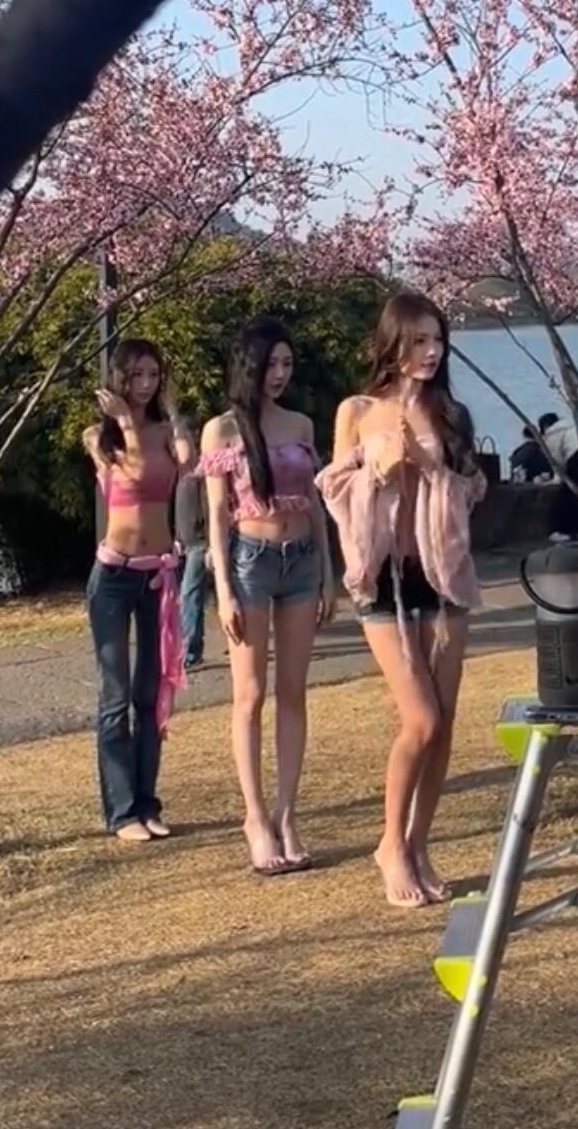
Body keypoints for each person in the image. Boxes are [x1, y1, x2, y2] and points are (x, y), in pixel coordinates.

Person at [318, 291, 485, 910]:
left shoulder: (451, 414)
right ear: (393, 343)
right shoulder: (358, 410)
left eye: (438, 340)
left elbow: (473, 489)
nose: (431, 352)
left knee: (446, 722)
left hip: (441, 576)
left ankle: (418, 844)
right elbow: (334, 490)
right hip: (382, 577)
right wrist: (377, 473)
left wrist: (430, 468)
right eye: (419, 341)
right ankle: (390, 843)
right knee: (421, 720)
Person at [199, 318, 334, 876]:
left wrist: (328, 573)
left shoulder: (300, 424)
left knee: (293, 691)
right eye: (271, 364)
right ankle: (255, 817)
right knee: (250, 694)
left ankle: (287, 814)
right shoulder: (222, 430)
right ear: (249, 365)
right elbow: (215, 515)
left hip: (301, 561)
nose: (280, 374)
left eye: (287, 364)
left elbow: (317, 503)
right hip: (250, 563)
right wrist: (223, 590)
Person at [83, 339, 193, 843]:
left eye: (153, 375)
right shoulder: (99, 438)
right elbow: (134, 473)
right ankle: (122, 812)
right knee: (116, 696)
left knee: (151, 696)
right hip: (113, 576)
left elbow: (186, 466)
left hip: (157, 576)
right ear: (119, 380)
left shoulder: (167, 433)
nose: (145, 385)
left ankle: (147, 804)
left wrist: (173, 422)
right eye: (136, 376)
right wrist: (126, 423)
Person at [175, 430, 212, 671]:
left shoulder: (201, 476)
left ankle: (190, 651)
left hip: (202, 544)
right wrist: (177, 538)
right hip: (187, 544)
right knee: (191, 595)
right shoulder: (179, 477)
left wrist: (211, 543)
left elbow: (211, 509)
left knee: (190, 594)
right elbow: (178, 513)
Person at [510, 413, 558, 482]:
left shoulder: (517, 452)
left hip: (518, 483)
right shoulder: (543, 450)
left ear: (523, 435)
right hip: (538, 483)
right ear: (538, 434)